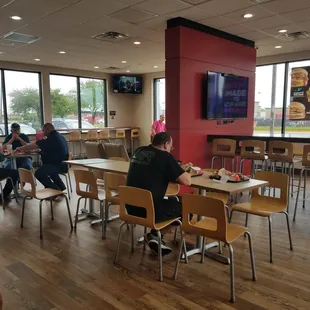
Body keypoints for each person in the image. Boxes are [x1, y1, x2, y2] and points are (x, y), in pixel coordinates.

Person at [126, 132, 191, 255]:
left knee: (174, 200)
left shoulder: (139, 151)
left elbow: (153, 168)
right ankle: (156, 234)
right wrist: (187, 171)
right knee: (188, 208)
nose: (171, 149)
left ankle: (155, 236)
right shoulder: (165, 157)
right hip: (149, 211)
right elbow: (187, 181)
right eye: (171, 147)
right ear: (166, 145)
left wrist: (177, 168)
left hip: (130, 207)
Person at [15, 123, 69, 191]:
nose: (43, 132)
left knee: (38, 173)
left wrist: (19, 148)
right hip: (62, 164)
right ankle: (61, 187)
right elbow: (50, 149)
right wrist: (37, 151)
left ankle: (55, 190)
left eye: (43, 130)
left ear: (48, 129)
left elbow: (34, 145)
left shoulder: (51, 138)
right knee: (49, 171)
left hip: (57, 165)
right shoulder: (60, 136)